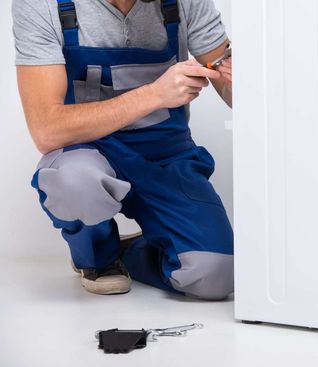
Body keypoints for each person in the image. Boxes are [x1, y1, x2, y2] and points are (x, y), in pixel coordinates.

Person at [12, 0, 235, 300]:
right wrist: (154, 95)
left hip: (165, 157)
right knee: (74, 183)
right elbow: (46, 129)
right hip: (88, 152)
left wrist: (250, 84)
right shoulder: (42, 5)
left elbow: (233, 80)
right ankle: (98, 257)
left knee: (215, 275)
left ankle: (131, 251)